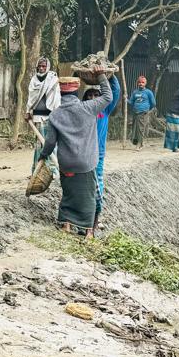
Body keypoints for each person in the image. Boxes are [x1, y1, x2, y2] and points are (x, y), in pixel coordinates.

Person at [39, 74, 114, 238]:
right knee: (88, 196)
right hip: (86, 163)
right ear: (77, 91)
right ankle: (88, 231)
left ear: (60, 93)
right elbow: (109, 96)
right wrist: (102, 76)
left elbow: (50, 142)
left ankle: (66, 225)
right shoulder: (88, 107)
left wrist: (43, 155)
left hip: (66, 163)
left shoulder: (55, 115)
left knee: (69, 193)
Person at [82, 73, 121, 230]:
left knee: (97, 184)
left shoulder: (105, 110)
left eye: (96, 95)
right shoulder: (82, 111)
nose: (93, 98)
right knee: (83, 187)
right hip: (83, 155)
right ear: (85, 98)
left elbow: (115, 91)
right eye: (89, 95)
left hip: (98, 155)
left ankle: (96, 217)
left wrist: (108, 75)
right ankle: (82, 218)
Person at [25, 57, 60, 174]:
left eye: (43, 66)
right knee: (39, 145)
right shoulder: (33, 80)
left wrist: (57, 114)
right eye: (39, 66)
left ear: (47, 67)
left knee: (51, 143)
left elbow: (57, 99)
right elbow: (30, 98)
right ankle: (38, 172)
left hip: (51, 118)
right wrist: (27, 111)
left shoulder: (53, 79)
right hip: (37, 118)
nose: (41, 68)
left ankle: (53, 171)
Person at [127, 75, 156, 150]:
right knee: (135, 128)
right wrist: (126, 99)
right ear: (137, 83)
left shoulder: (148, 92)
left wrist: (147, 109)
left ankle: (140, 144)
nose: (141, 84)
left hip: (143, 113)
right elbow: (131, 102)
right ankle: (137, 142)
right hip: (135, 112)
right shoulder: (135, 92)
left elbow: (153, 103)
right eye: (139, 82)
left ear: (145, 83)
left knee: (141, 128)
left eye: (142, 82)